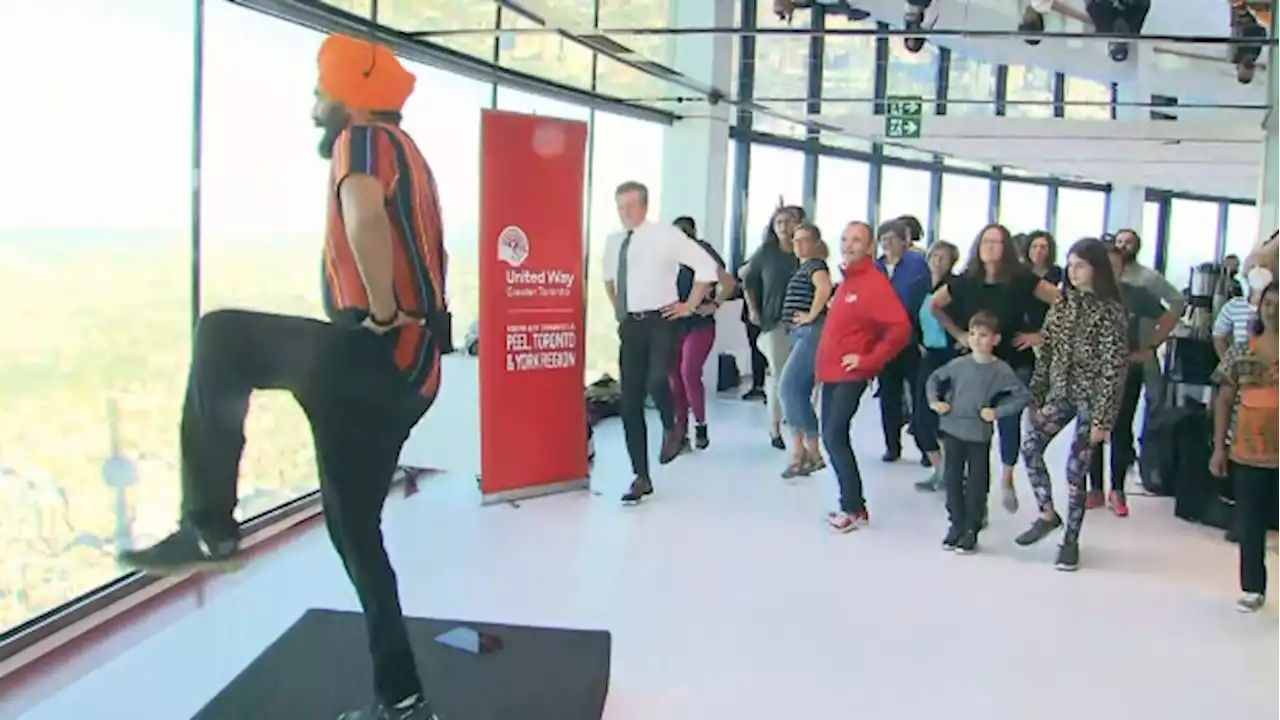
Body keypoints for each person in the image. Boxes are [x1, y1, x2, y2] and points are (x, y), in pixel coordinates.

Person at [119, 34, 447, 720]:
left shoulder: (363, 140)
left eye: (319, 93)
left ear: (349, 98)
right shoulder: (409, 151)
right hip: (406, 381)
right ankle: (404, 698)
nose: (313, 107)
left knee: (222, 336)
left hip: (375, 357)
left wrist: (382, 311)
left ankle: (210, 527)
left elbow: (363, 215)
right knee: (355, 531)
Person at [930, 224, 1060, 514]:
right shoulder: (966, 281)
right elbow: (934, 305)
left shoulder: (1021, 280)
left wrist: (1041, 335)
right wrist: (959, 334)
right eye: (986, 241)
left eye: (997, 242)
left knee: (1008, 420)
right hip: (976, 360)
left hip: (1013, 360)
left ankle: (1007, 478)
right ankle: (976, 498)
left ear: (1006, 249)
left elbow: (1062, 302)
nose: (990, 247)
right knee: (973, 426)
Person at [1017, 238, 1129, 571]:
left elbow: (1115, 368)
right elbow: (1047, 352)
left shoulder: (1111, 311)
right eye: (1070, 264)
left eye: (1080, 264)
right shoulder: (1063, 304)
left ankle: (1071, 541)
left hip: (1093, 401)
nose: (1073, 271)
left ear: (1096, 268)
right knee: (1031, 446)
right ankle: (1047, 513)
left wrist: (1103, 420)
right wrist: (1037, 396)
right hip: (1062, 392)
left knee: (1075, 470)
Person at [603, 182, 718, 505]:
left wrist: (689, 305)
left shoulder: (666, 236)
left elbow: (707, 268)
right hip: (632, 324)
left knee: (657, 380)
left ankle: (673, 427)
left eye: (630, 206)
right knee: (629, 403)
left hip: (662, 320)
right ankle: (641, 476)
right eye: (620, 207)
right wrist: (619, 311)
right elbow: (608, 280)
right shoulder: (614, 242)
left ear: (644, 206)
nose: (625, 213)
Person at [816, 222, 912, 532]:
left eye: (856, 240)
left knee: (833, 435)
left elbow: (900, 329)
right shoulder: (847, 282)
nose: (849, 245)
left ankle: (853, 507)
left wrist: (869, 360)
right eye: (845, 239)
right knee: (831, 435)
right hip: (831, 372)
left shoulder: (873, 283)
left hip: (851, 374)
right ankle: (853, 505)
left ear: (870, 248)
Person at [926, 312, 1030, 554]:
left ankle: (972, 527)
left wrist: (997, 411)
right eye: (973, 334)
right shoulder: (959, 364)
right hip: (952, 428)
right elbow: (933, 379)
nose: (976, 339)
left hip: (978, 432)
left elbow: (1022, 396)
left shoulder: (1001, 370)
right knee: (952, 478)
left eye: (983, 335)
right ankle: (956, 524)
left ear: (995, 339)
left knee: (976, 480)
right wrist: (935, 401)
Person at [1087, 243, 1176, 516]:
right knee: (1091, 430)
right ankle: (1095, 489)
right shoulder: (1087, 294)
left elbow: (1170, 314)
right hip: (1093, 371)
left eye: (1115, 264)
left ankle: (1117, 489)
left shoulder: (1136, 294)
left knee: (1120, 429)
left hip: (1127, 369)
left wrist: (1150, 347)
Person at [1209, 280, 1280, 613]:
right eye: (1268, 304)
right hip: (1247, 451)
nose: (1274, 311)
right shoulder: (1241, 350)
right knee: (1251, 523)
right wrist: (1219, 448)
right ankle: (1253, 587)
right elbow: (1224, 399)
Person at [669, 216, 735, 450]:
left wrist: (715, 304)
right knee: (674, 379)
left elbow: (728, 282)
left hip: (699, 323)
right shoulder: (669, 257)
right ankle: (680, 433)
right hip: (673, 325)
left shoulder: (702, 254)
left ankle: (700, 424)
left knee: (689, 373)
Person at [742, 206, 804, 449]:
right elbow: (747, 278)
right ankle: (775, 426)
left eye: (789, 222)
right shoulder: (767, 252)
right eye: (778, 222)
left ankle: (795, 419)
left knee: (799, 375)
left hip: (802, 322)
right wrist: (753, 309)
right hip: (774, 320)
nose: (783, 226)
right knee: (780, 374)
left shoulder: (804, 252)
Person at [778, 224, 834, 478]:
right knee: (798, 392)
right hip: (800, 333)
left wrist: (811, 315)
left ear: (815, 243)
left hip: (811, 333)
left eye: (804, 240)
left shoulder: (816, 265)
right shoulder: (802, 267)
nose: (798, 245)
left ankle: (802, 451)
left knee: (787, 387)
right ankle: (808, 452)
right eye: (795, 240)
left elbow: (824, 289)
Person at [875, 220, 932, 463]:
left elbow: (922, 301)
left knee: (919, 397)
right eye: (883, 239)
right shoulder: (874, 268)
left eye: (892, 238)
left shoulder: (917, 265)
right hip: (883, 342)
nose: (887, 243)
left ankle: (926, 448)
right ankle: (892, 446)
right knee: (889, 396)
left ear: (903, 240)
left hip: (911, 340)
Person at [1113, 228, 1186, 413]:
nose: (1123, 246)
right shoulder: (1105, 277)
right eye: (1119, 241)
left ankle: (1153, 438)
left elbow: (1177, 301)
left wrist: (1157, 338)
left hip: (1144, 344)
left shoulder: (1148, 278)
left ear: (1137, 247)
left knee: (1155, 398)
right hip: (1114, 350)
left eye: (1128, 242)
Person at [913, 240, 961, 492]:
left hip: (950, 356)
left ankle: (951, 471)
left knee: (942, 414)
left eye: (944, 256)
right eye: (935, 255)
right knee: (920, 416)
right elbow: (912, 318)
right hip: (928, 355)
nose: (937, 260)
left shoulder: (954, 288)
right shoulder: (921, 286)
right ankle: (939, 468)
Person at [1023, 230, 1064, 330]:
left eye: (1043, 247)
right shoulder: (1021, 273)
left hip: (1051, 327)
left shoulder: (1060, 273)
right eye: (1034, 246)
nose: (1038, 251)